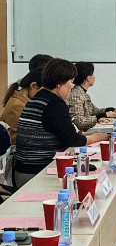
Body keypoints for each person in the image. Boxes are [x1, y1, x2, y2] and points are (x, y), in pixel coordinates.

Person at [13, 58, 109, 188]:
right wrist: (97, 137)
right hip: (38, 172)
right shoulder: (54, 104)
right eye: (70, 82)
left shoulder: (37, 98)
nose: (72, 86)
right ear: (59, 84)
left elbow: (62, 132)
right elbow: (72, 140)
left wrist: (88, 135)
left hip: (22, 170)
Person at [66, 62, 116, 131]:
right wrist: (103, 115)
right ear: (88, 78)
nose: (94, 76)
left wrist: (111, 110)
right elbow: (78, 122)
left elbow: (94, 111)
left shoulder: (83, 94)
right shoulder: (76, 95)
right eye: (92, 74)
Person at [0, 67, 43, 145]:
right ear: (33, 86)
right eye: (44, 92)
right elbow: (18, 139)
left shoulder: (20, 100)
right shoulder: (17, 106)